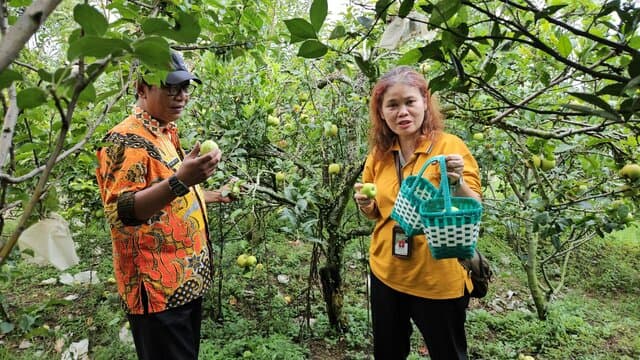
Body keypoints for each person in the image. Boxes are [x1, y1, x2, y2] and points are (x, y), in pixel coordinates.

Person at [95, 51, 233, 360]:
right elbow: (122, 212)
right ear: (142, 89)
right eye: (170, 87)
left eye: (185, 87)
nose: (181, 96)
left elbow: (167, 198)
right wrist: (182, 180)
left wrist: (211, 194)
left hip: (184, 284)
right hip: (158, 292)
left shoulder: (164, 132)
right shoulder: (125, 140)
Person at [353, 66, 482, 360]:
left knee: (448, 354)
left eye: (409, 101)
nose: (402, 112)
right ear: (382, 113)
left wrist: (457, 181)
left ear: (424, 102)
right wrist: (365, 204)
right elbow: (376, 214)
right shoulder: (380, 154)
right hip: (387, 273)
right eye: (392, 105)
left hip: (437, 278)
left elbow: (475, 207)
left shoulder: (450, 147)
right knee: (388, 352)